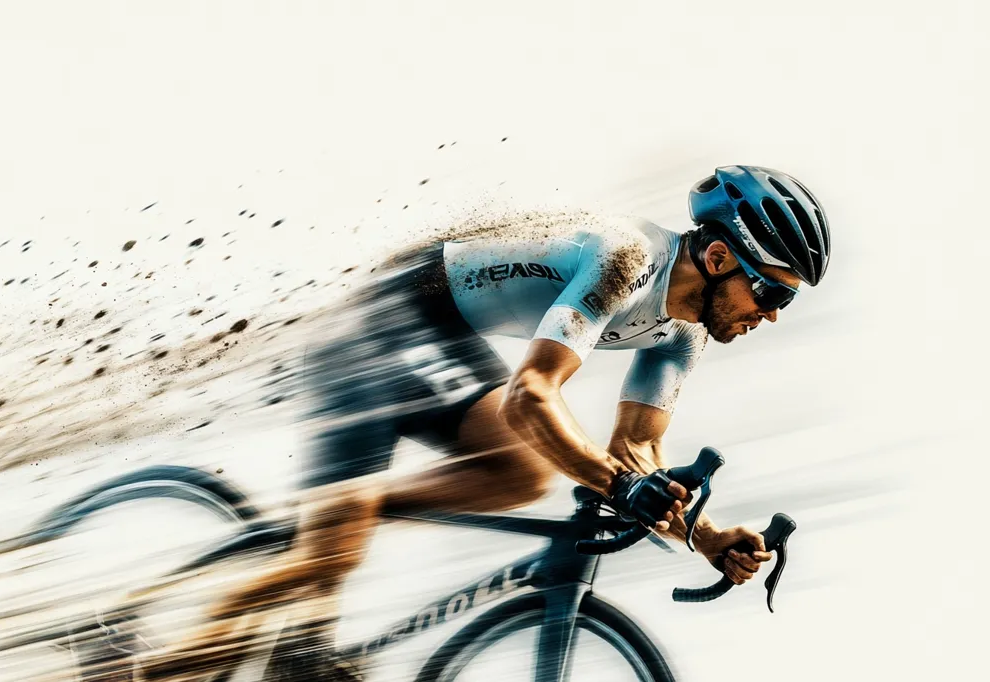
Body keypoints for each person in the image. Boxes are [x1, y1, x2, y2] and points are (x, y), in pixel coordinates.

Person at [138, 165, 831, 680]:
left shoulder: (684, 331)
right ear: (717, 258)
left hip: (437, 340)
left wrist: (704, 535)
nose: (769, 314)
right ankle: (137, 665)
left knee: (521, 473)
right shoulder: (628, 261)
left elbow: (638, 451)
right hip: (381, 325)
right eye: (770, 291)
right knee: (334, 558)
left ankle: (345, 515)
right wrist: (622, 487)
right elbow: (530, 397)